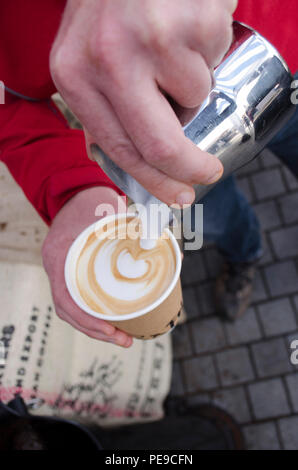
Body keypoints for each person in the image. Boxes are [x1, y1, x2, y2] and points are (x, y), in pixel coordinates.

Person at [0, 0, 237, 345]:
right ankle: (246, 254)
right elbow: (6, 103)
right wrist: (72, 189)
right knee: (214, 214)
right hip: (153, 143)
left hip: (257, 47)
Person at [199, 1, 298, 321]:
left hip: (285, 50)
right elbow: (36, 93)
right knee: (211, 218)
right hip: (173, 131)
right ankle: (243, 254)